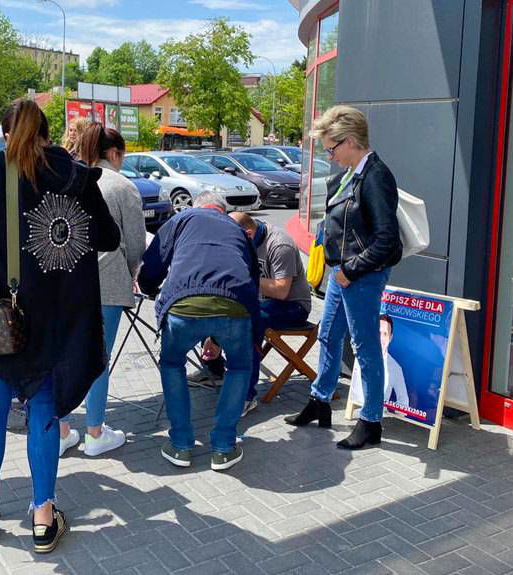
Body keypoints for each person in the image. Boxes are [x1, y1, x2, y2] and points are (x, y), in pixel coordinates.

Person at [0, 99, 120, 551]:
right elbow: (108, 237)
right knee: (46, 409)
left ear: (7, 135)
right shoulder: (78, 173)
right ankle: (44, 515)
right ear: (46, 133)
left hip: (3, 315)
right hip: (61, 316)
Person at [285, 105, 402, 450]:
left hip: (360, 274)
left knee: (365, 347)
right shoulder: (351, 173)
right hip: (342, 271)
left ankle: (371, 421)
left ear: (349, 141)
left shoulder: (376, 176)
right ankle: (320, 400)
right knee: (328, 335)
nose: (329, 156)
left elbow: (387, 240)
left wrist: (350, 270)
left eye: (331, 148)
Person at [137, 192, 259, 471]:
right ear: (222, 211)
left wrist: (147, 287)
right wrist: (217, 335)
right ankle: (224, 447)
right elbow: (251, 278)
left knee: (171, 364)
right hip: (236, 307)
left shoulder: (182, 218)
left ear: (198, 206)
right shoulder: (236, 229)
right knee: (239, 368)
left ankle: (180, 445)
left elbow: (153, 261)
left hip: (183, 305)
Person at [58, 124, 146, 457]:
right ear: (114, 153)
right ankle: (95, 432)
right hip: (108, 280)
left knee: (67, 355)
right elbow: (136, 243)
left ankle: (63, 429)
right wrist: (133, 271)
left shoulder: (70, 179)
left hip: (66, 281)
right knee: (99, 359)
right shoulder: (122, 186)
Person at [188, 213, 311, 416]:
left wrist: (243, 279)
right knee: (211, 305)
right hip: (260, 301)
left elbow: (282, 291)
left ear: (248, 233)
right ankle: (215, 369)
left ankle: (245, 396)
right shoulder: (240, 241)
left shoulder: (280, 244)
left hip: (292, 306)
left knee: (249, 322)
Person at [349, 314, 409, 410]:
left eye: (385, 334)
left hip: (377, 414)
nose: (380, 338)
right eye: (378, 332)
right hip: (357, 407)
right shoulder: (361, 353)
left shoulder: (395, 368)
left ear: (390, 338)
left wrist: (393, 415)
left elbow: (403, 402)